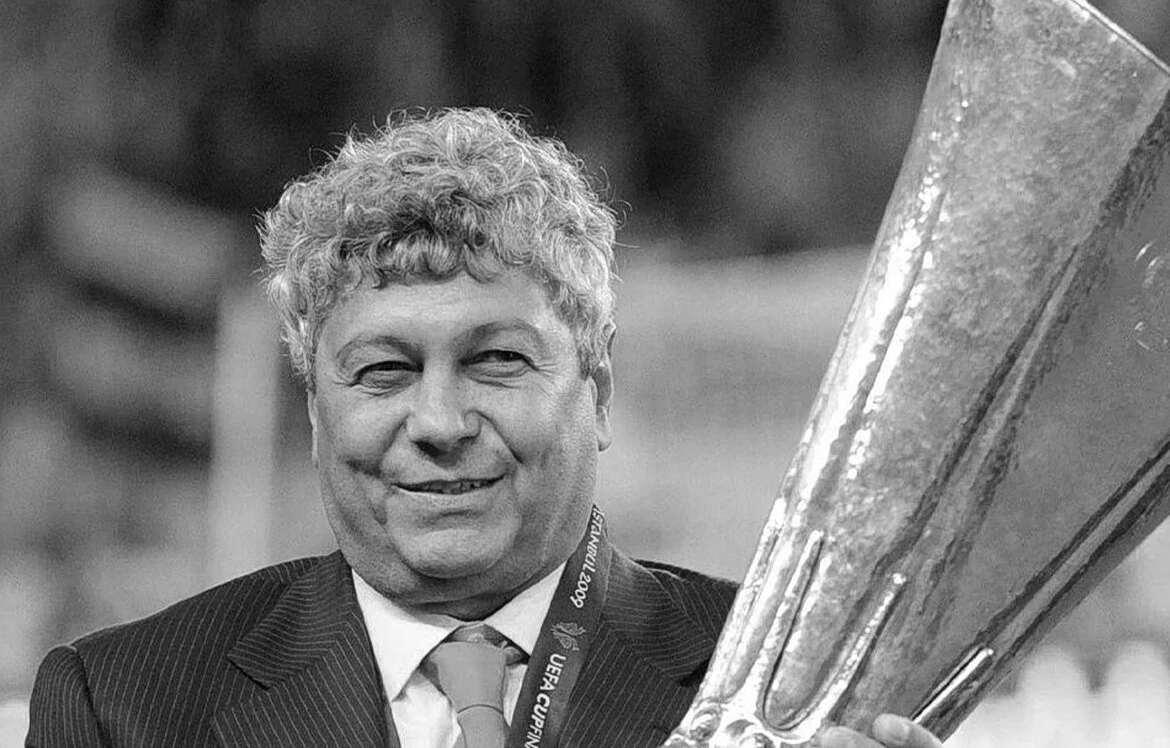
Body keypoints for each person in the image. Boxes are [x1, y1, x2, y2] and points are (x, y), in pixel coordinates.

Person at [25, 108, 941, 748]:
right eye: (384, 371)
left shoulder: (793, 691)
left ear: (599, 390)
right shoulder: (123, 709)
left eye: (496, 360)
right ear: (313, 412)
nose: (438, 422)